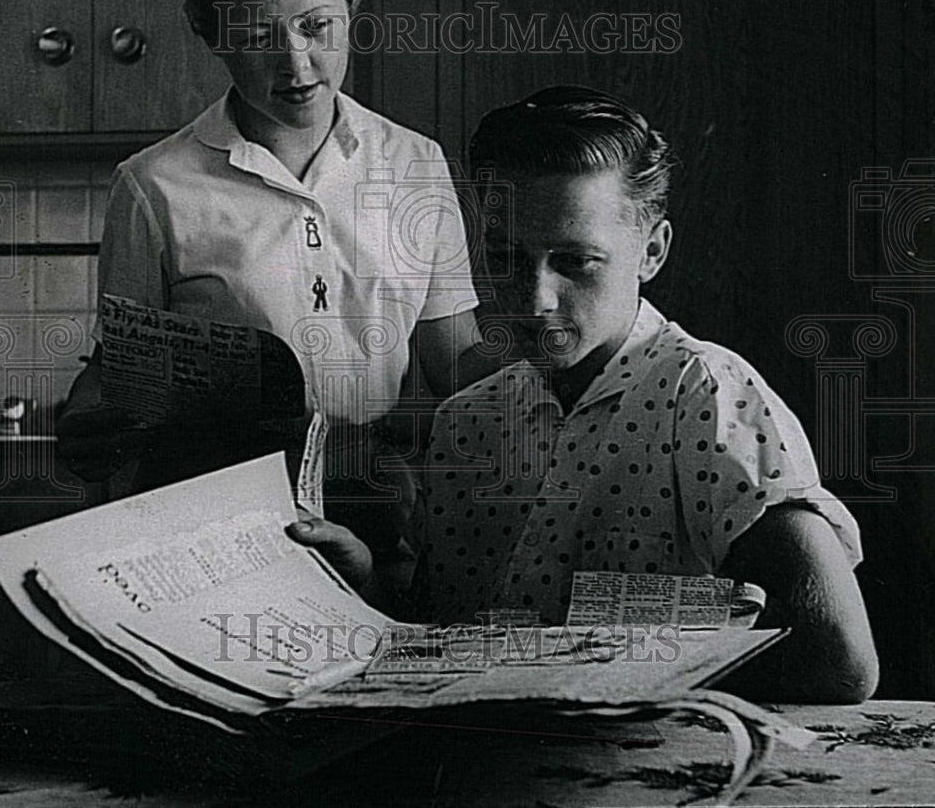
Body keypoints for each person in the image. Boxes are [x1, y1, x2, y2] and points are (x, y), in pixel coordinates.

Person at [289, 85, 880, 703]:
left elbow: (838, 662)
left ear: (651, 251)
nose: (534, 298)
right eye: (505, 257)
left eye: (575, 262)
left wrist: (598, 665)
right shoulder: (467, 419)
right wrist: (365, 588)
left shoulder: (704, 395)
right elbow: (447, 634)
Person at [58, 0, 492, 546]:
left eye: (317, 27)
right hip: (220, 525)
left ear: (350, 10)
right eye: (258, 35)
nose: (296, 63)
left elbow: (455, 363)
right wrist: (90, 417)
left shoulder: (415, 163)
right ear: (209, 35)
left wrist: (559, 387)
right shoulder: (154, 186)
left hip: (381, 512)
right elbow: (120, 373)